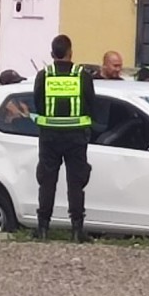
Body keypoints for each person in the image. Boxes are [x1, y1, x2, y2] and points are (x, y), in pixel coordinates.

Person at [32, 34, 96, 243]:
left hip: (49, 137)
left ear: (52, 54)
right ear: (71, 52)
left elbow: (38, 105)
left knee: (47, 182)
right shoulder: (82, 75)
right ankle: (77, 231)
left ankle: (43, 229)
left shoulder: (44, 75)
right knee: (76, 183)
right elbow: (91, 104)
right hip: (76, 137)